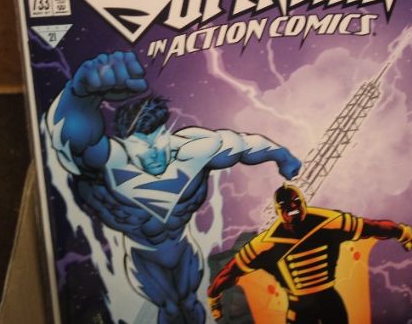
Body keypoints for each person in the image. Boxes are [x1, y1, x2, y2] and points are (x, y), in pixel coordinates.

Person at [43, 50, 302, 324]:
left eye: (158, 141)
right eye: (141, 145)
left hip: (182, 247)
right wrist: (80, 95)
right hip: (144, 257)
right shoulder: (110, 163)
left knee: (189, 304)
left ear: (167, 133)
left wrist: (281, 155)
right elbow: (71, 142)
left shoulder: (194, 151)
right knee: (170, 308)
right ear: (125, 144)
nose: (154, 153)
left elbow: (244, 145)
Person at [207, 184, 412, 324]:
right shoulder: (266, 244)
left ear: (303, 202)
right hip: (299, 307)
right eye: (285, 205)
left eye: (296, 202)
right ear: (278, 211)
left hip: (330, 302)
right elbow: (231, 271)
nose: (292, 208)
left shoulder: (328, 223)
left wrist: (401, 232)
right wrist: (214, 295)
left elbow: (372, 227)